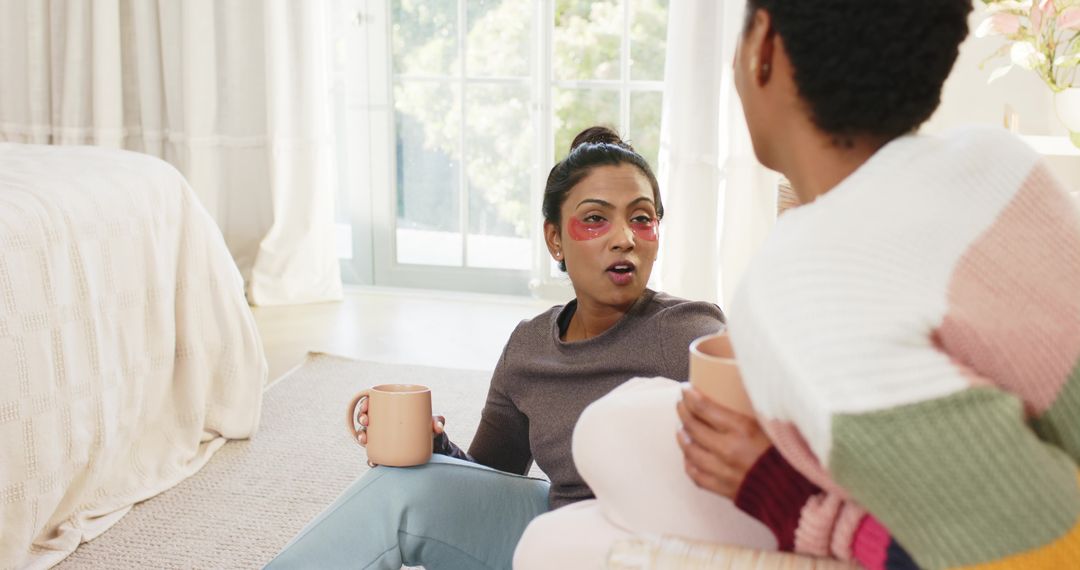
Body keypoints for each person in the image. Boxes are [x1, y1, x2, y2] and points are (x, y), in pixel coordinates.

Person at [521, 0, 1080, 568]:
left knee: (551, 543)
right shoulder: (998, 158)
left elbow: (1036, 554)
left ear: (763, 44)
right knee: (607, 438)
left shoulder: (800, 282)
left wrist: (781, 495)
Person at [263, 126, 766, 570]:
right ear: (555, 240)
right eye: (595, 219)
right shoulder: (528, 348)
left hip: (651, 551)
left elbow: (757, 460)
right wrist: (433, 446)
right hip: (554, 535)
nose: (625, 239)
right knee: (401, 486)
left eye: (641, 218)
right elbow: (488, 479)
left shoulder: (688, 331)